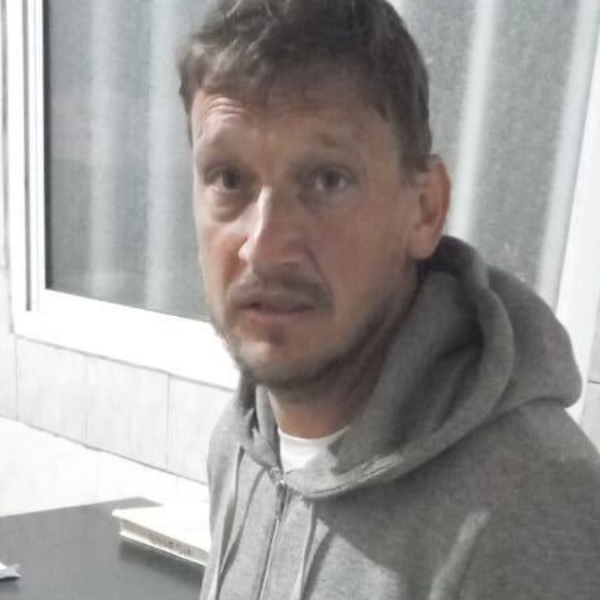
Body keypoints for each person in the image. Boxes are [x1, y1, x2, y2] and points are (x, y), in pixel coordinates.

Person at [178, 0, 600, 598]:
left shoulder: (533, 508)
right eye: (228, 179)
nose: (265, 247)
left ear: (425, 209)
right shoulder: (243, 441)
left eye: (327, 180)